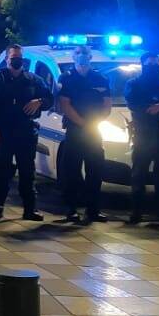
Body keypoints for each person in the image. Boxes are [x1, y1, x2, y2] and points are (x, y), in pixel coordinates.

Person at [0, 44, 52, 222]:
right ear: (7, 59)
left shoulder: (34, 80)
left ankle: (30, 209)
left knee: (27, 171)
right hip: (3, 132)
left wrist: (39, 101)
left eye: (19, 57)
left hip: (26, 131)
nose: (16, 60)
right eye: (13, 57)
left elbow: (49, 99)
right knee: (1, 172)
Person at [123, 52, 159, 224]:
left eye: (156, 64)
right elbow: (134, 103)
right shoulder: (134, 84)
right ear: (143, 65)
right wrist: (156, 109)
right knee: (139, 174)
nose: (154, 67)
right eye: (150, 64)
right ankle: (136, 212)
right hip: (143, 135)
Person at [55, 45, 111, 224]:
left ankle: (93, 209)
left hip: (94, 130)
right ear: (73, 56)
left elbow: (107, 104)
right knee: (71, 171)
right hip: (75, 130)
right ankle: (71, 209)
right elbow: (64, 104)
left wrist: (95, 122)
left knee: (95, 171)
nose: (82, 56)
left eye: (85, 53)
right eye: (78, 53)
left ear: (91, 56)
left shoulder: (100, 78)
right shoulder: (67, 78)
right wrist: (83, 123)